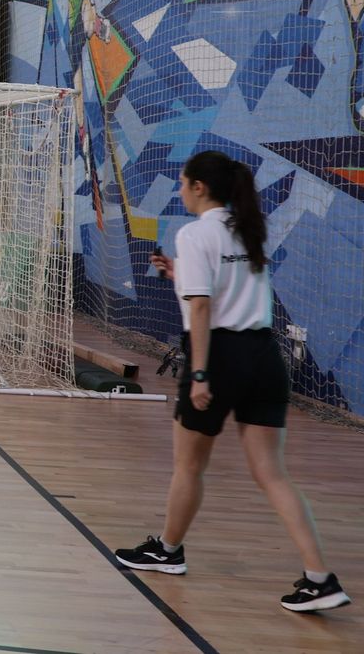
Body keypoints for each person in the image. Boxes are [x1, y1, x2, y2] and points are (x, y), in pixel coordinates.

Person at [114, 151, 351, 612]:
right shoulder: (248, 230)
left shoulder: (195, 232)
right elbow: (227, 287)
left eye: (183, 183)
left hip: (219, 357)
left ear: (200, 187)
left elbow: (202, 308)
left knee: (188, 466)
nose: (180, 190)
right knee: (272, 473)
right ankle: (320, 578)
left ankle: (167, 551)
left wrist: (200, 373)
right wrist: (179, 273)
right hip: (265, 357)